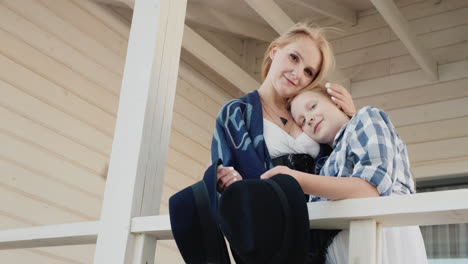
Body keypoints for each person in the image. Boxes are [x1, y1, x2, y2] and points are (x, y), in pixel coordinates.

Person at [211, 22, 356, 262]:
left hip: (327, 240)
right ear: (274, 51)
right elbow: (224, 184)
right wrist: (226, 180)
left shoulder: (311, 111)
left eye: (309, 71)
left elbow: (350, 162)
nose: (298, 73)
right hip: (274, 243)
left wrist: (350, 117)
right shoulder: (235, 114)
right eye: (294, 58)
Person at [260, 85, 428, 264]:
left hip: (382, 240)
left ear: (337, 102)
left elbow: (370, 189)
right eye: (301, 121)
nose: (308, 118)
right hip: (345, 251)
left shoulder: (366, 117)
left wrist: (296, 179)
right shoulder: (325, 163)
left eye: (312, 106)